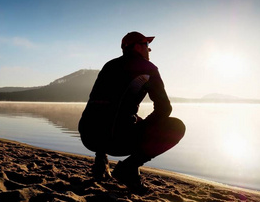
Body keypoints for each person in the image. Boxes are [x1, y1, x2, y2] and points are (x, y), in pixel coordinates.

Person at [78, 31, 185, 194]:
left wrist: (136, 119)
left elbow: (103, 106)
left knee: (118, 115)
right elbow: (165, 109)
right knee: (176, 126)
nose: (149, 50)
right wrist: (146, 126)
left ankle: (101, 159)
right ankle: (128, 168)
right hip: (115, 140)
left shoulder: (109, 66)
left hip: (88, 136)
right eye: (146, 45)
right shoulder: (148, 68)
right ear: (135, 46)